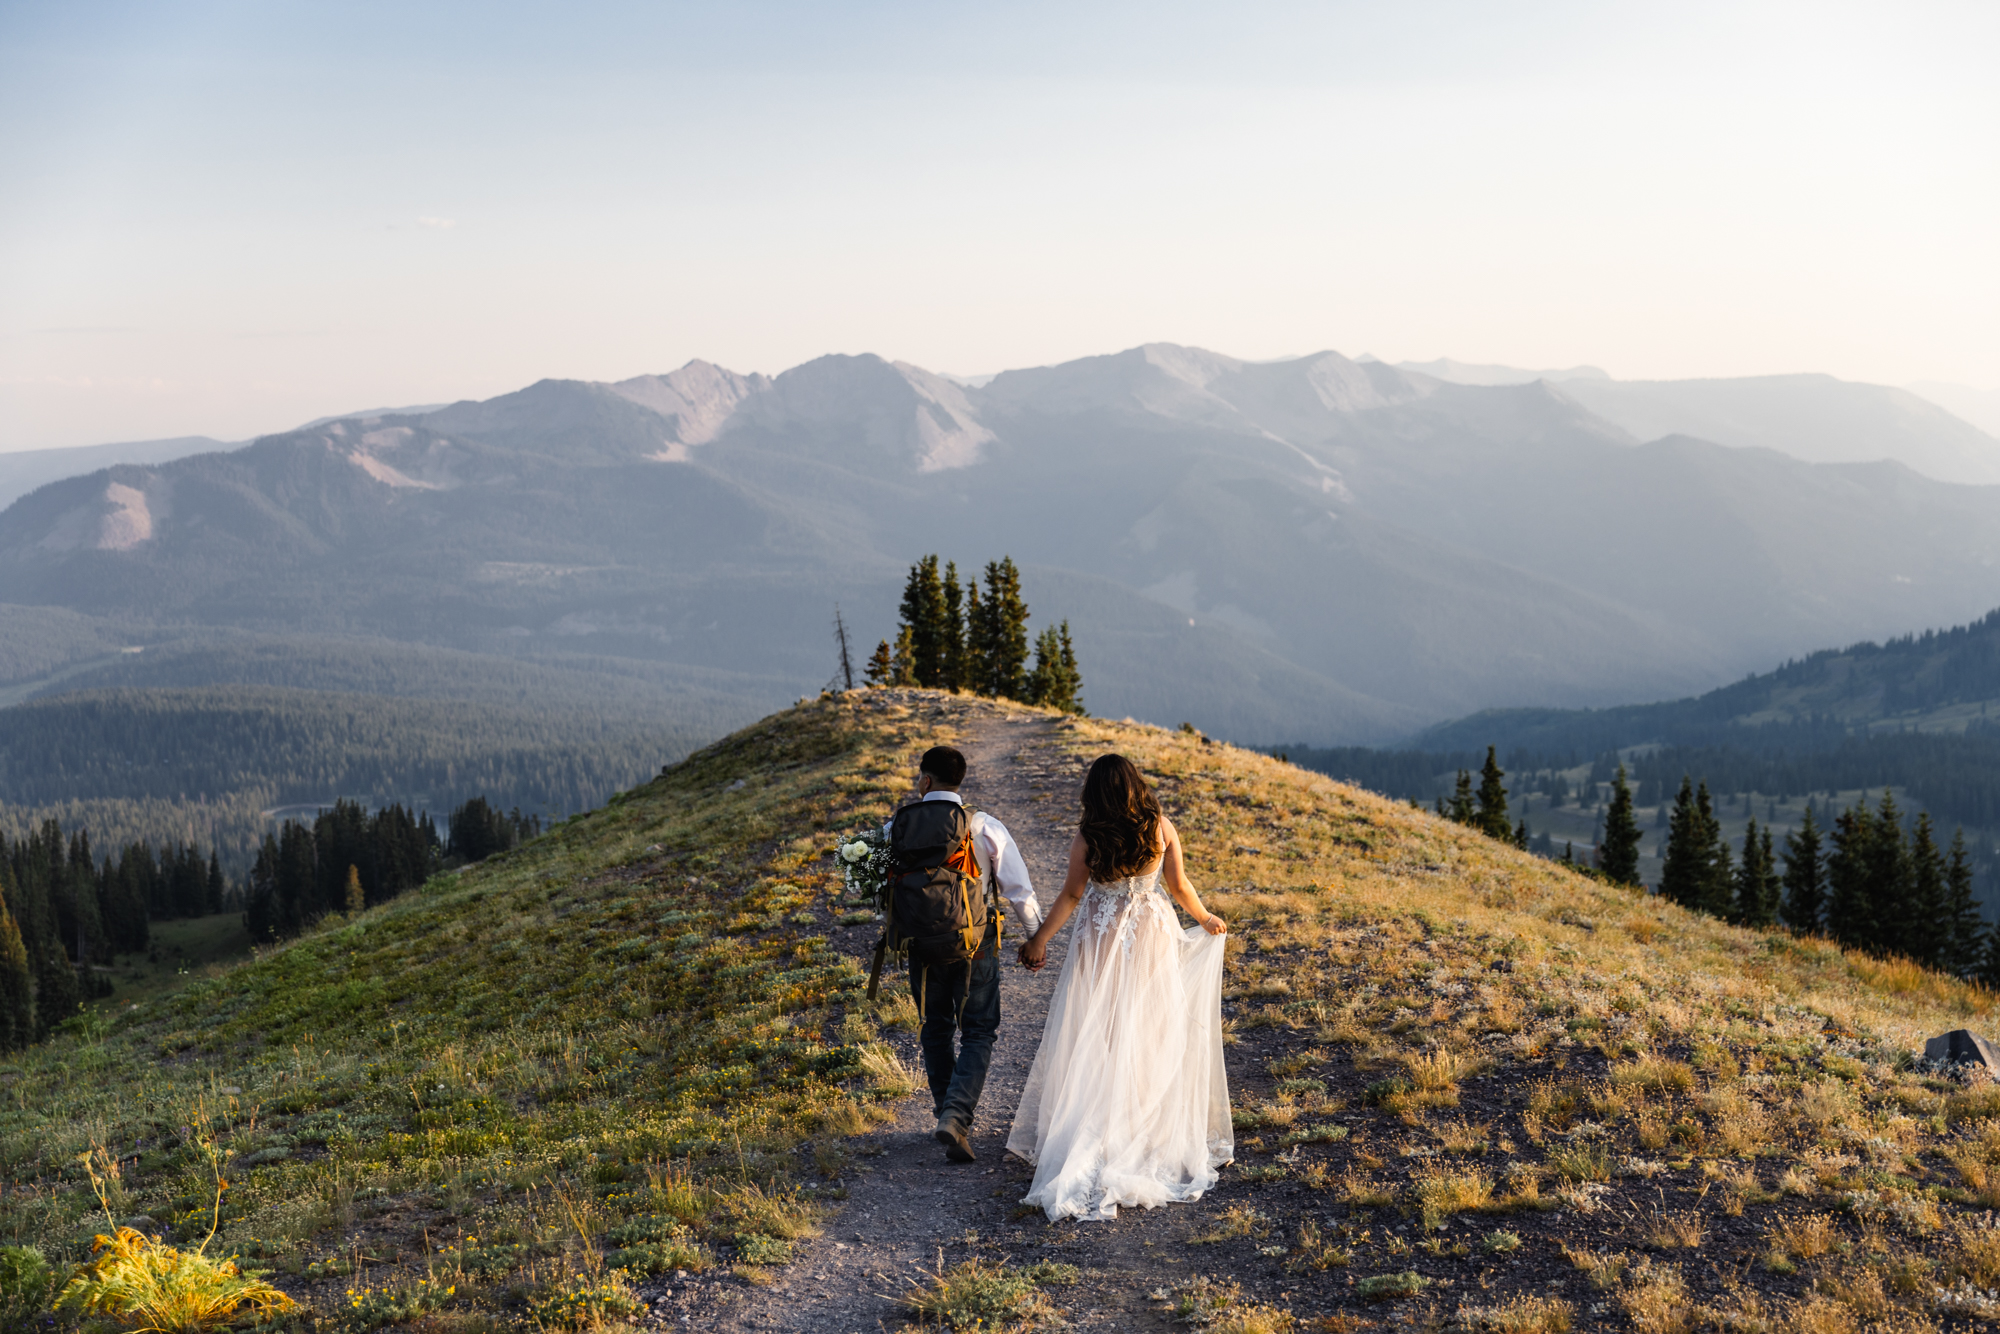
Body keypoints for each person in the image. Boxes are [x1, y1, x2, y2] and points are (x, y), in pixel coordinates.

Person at [1006, 753, 1231, 1222]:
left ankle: (1100, 1125)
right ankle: (1143, 1127)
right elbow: (1180, 885)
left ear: (1095, 792)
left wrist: (1039, 941)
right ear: (1136, 785)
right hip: (1150, 932)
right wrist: (1206, 918)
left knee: (1100, 1027)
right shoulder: (1160, 828)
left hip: (1102, 933)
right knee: (1150, 1026)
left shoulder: (1090, 836)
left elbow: (1071, 894)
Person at [890, 745, 1043, 1163]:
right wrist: (1035, 940)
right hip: (976, 943)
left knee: (934, 1027)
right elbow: (1019, 889)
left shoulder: (897, 826)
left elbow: (878, 886)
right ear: (960, 782)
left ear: (925, 781)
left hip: (921, 943)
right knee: (978, 1029)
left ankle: (946, 1113)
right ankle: (955, 1117)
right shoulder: (982, 825)